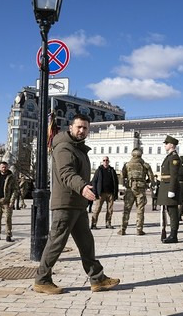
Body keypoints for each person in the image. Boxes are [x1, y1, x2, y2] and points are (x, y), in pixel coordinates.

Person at [34, 114, 120, 294]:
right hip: (66, 204)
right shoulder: (64, 147)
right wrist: (82, 187)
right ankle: (42, 280)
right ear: (71, 127)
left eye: (85, 128)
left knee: (86, 242)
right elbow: (66, 173)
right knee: (56, 242)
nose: (82, 131)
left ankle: (97, 279)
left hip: (77, 204)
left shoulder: (77, 147)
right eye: (79, 127)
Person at [118, 148, 154, 235]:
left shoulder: (127, 165)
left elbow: (122, 177)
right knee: (140, 210)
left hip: (130, 189)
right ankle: (139, 229)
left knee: (126, 209)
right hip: (141, 189)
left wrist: (126, 185)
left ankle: (123, 229)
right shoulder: (145, 165)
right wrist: (146, 183)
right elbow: (151, 178)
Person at [158, 135, 182, 243]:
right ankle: (171, 234)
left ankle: (173, 235)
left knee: (173, 212)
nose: (165, 145)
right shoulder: (169, 156)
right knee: (169, 211)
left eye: (166, 143)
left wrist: (172, 190)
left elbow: (174, 175)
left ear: (172, 145)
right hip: (166, 186)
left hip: (169, 187)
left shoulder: (174, 157)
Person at [91, 156, 119, 229]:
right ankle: (93, 224)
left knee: (110, 210)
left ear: (108, 161)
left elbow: (116, 182)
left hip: (110, 193)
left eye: (107, 160)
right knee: (97, 209)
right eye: (104, 160)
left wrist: (115, 193)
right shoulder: (99, 170)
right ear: (102, 161)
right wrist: (95, 192)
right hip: (101, 193)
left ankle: (108, 223)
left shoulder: (112, 170)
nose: (105, 161)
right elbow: (94, 181)